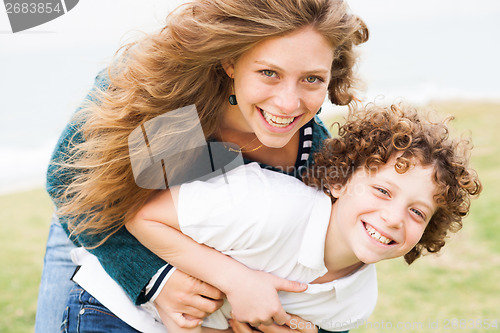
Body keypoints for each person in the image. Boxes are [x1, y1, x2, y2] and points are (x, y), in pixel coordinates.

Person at [34, 0, 369, 332]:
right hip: (96, 218)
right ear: (230, 62)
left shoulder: (317, 162)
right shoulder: (172, 102)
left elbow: (337, 272)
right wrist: (156, 281)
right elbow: (66, 178)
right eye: (269, 73)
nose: (288, 103)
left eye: (312, 79)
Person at [123, 102, 481, 333]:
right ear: (339, 181)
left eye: (417, 212)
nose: (392, 218)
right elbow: (141, 215)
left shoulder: (357, 303)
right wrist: (236, 280)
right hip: (116, 309)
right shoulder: (264, 206)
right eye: (383, 191)